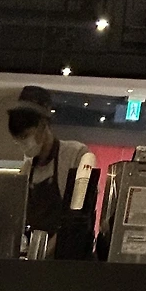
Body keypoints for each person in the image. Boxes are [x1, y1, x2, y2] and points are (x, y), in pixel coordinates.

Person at [6, 86, 95, 244]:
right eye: (18, 140)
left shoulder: (75, 155)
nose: (23, 144)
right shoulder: (27, 170)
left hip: (70, 251)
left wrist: (48, 249)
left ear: (43, 125)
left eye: (26, 136)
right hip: (37, 251)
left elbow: (79, 215)